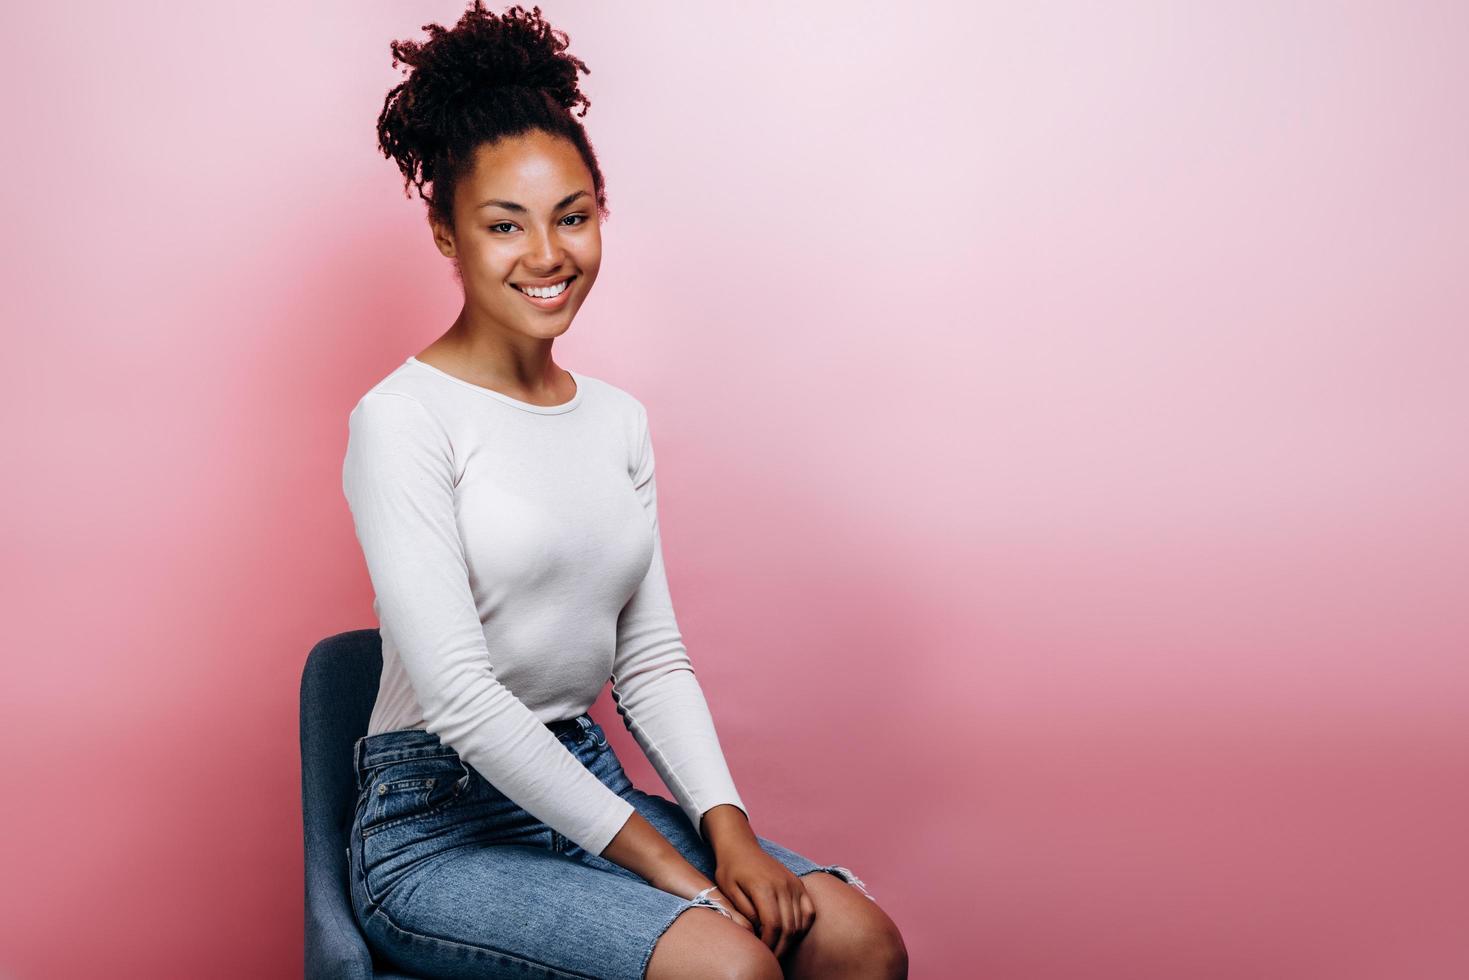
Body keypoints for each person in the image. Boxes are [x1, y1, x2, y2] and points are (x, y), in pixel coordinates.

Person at [340, 4, 908, 977]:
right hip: (437, 823)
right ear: (445, 231)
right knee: (732, 966)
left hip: (583, 779)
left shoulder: (615, 420)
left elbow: (646, 658)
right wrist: (669, 869)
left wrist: (727, 830)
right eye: (502, 224)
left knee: (858, 937)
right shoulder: (401, 419)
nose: (547, 254)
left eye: (571, 215)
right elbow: (464, 701)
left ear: (601, 209)